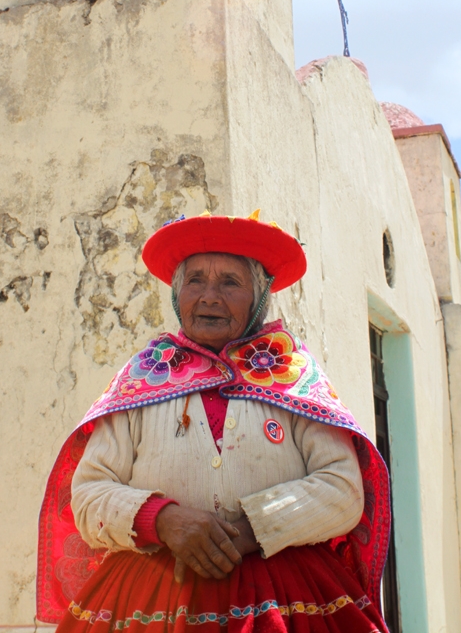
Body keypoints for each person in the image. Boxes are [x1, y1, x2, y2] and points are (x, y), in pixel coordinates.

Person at [37, 212, 390, 633]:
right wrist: (164, 521)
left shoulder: (292, 376)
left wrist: (248, 531)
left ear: (259, 299)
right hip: (152, 600)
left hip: (284, 600)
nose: (209, 296)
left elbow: (343, 490)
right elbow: (89, 494)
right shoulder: (142, 380)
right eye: (195, 281)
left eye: (230, 282)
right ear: (177, 295)